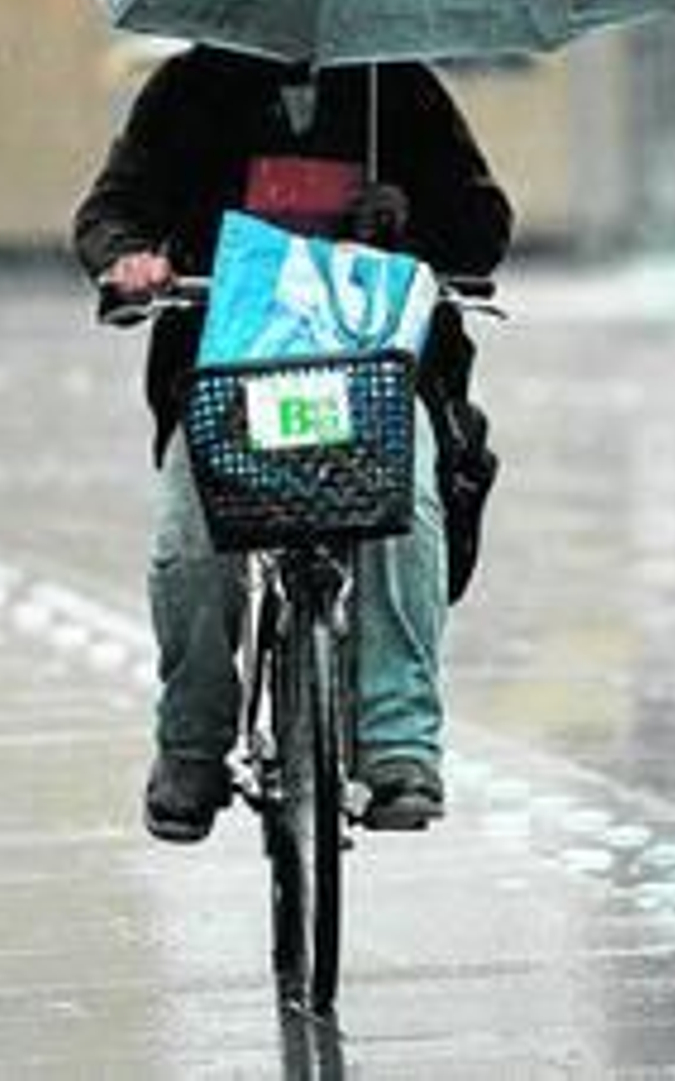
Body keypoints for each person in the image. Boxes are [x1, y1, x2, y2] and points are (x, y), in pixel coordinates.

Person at [73, 44, 512, 843]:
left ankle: (399, 740)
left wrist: (410, 215)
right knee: (185, 543)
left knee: (407, 507)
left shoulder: (397, 86)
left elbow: (483, 227)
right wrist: (129, 260)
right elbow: (113, 209)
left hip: (370, 371)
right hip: (226, 373)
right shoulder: (186, 90)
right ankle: (192, 742)